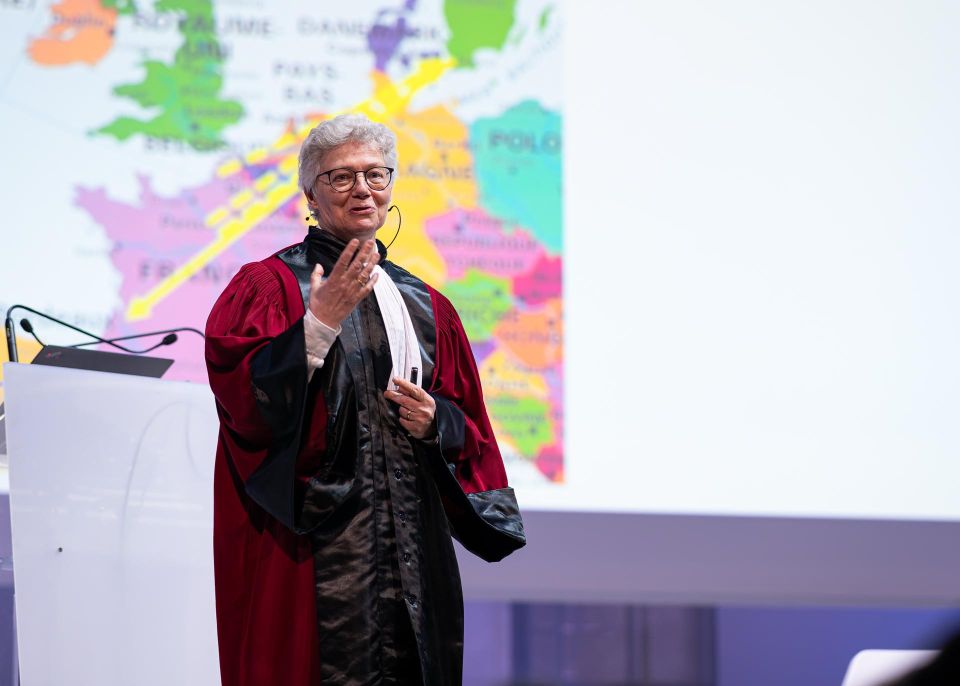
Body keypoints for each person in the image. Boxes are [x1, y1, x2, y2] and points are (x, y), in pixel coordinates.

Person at [205, 113, 525, 686]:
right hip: (313, 552)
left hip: (410, 548)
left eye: (375, 175)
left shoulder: (427, 304)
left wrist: (436, 422)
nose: (362, 190)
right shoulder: (269, 287)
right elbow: (242, 400)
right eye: (341, 177)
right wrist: (319, 322)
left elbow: (468, 424)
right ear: (311, 195)